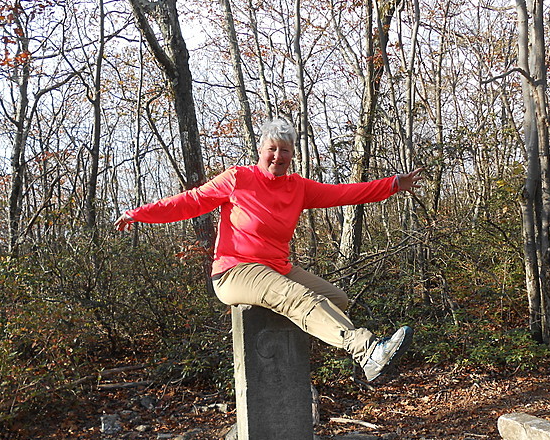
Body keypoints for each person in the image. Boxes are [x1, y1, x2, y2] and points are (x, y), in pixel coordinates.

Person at [114, 118, 422, 381]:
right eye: (272, 149)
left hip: (276, 267)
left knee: (336, 299)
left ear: (292, 155)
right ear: (261, 150)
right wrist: (139, 213)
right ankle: (367, 351)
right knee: (298, 297)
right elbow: (192, 201)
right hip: (234, 271)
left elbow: (344, 193)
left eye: (284, 150)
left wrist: (393, 184)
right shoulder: (238, 178)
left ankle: (350, 355)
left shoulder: (298, 187)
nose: (278, 155)